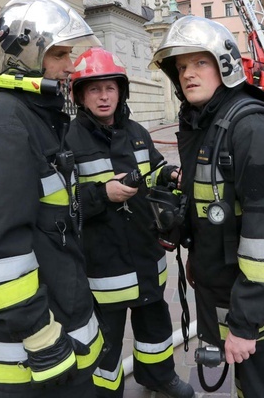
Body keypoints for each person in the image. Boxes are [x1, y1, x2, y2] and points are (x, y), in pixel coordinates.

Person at [0, 0, 106, 398]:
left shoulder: (29, 113)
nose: (72, 66)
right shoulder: (4, 121)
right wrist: (40, 337)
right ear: (26, 54)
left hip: (51, 319)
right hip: (24, 358)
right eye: (59, 54)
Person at [149, 16, 264, 398]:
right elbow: (211, 206)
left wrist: (245, 325)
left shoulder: (251, 128)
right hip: (232, 292)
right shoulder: (207, 123)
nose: (188, 73)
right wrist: (197, 257)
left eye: (199, 62)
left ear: (225, 64)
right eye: (182, 66)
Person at [66, 47, 195, 398]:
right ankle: (106, 392)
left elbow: (151, 171)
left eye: (110, 88)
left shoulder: (137, 131)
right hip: (103, 261)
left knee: (155, 324)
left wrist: (169, 173)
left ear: (121, 91)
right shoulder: (68, 139)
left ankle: (158, 376)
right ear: (79, 94)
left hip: (145, 251)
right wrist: (101, 194)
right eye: (94, 89)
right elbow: (61, 200)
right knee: (104, 340)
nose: (104, 96)